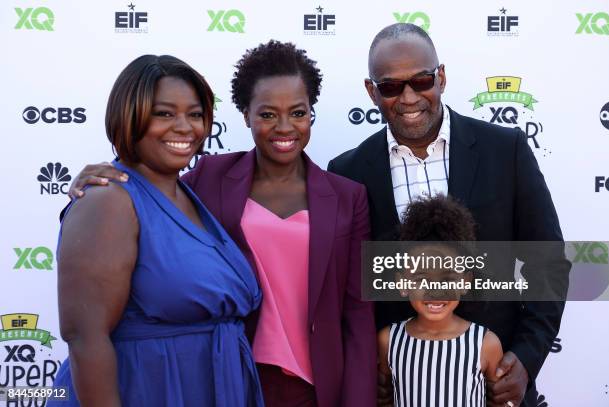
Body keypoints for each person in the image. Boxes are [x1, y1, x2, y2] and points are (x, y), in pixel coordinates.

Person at [65, 41, 376, 407]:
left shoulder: (347, 196)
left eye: (298, 112)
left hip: (312, 385)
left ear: (311, 114)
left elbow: (358, 314)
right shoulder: (209, 177)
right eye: (267, 114)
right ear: (245, 114)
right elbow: (149, 190)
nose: (284, 126)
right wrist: (100, 174)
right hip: (230, 375)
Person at [327, 23, 570, 407]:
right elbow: (344, 288)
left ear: (441, 77)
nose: (408, 97)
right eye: (390, 87)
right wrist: (365, 369)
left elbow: (549, 263)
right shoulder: (348, 171)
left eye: (421, 80)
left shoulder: (504, 150)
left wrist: (525, 359)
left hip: (495, 390)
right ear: (372, 91)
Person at [49, 55, 263, 407]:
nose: (185, 127)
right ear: (130, 115)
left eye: (195, 114)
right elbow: (85, 337)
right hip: (145, 390)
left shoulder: (191, 192)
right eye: (164, 113)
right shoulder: (108, 200)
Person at [377, 195, 503, 407]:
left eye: (447, 278)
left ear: (465, 282)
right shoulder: (388, 341)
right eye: (422, 278)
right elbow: (385, 399)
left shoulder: (485, 344)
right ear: (402, 283)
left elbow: (499, 401)